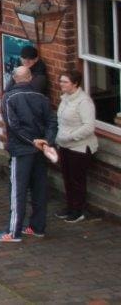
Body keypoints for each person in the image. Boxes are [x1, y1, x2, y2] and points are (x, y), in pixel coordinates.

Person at [0, 65, 57, 243]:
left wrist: (32, 141)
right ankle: (37, 228)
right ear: (30, 78)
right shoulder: (42, 98)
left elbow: (14, 126)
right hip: (40, 151)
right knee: (39, 189)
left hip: (21, 151)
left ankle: (13, 232)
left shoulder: (8, 98)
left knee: (17, 191)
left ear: (13, 79)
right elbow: (52, 122)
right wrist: (46, 141)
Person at [54, 71, 97, 223]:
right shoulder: (65, 99)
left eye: (65, 82)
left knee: (77, 180)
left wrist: (69, 137)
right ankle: (70, 207)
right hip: (64, 145)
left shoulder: (84, 102)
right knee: (67, 178)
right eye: (61, 81)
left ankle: (78, 210)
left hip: (79, 147)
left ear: (75, 84)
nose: (61, 84)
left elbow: (89, 127)